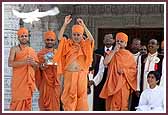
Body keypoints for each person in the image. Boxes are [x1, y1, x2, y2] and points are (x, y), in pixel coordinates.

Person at [53, 15, 94, 111]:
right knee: (68, 99)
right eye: (74, 34)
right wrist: (65, 24)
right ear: (72, 34)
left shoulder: (85, 45)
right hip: (69, 75)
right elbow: (59, 38)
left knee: (81, 99)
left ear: (81, 35)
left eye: (78, 35)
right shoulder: (67, 44)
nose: (76, 37)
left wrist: (83, 26)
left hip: (81, 75)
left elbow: (91, 40)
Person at [99, 32, 137, 111]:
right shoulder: (111, 53)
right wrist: (113, 51)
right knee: (111, 105)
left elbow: (133, 71)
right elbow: (105, 62)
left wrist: (124, 71)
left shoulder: (130, 55)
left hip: (123, 84)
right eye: (117, 41)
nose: (119, 43)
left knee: (122, 106)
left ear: (126, 44)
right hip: (111, 83)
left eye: (121, 41)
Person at [8, 27, 39, 111]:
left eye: (25, 36)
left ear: (28, 37)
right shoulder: (14, 49)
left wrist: (33, 63)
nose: (24, 37)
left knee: (26, 103)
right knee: (16, 101)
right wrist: (25, 62)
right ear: (18, 37)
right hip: (18, 81)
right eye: (22, 36)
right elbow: (10, 63)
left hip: (27, 82)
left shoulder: (31, 50)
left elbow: (37, 66)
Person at [88, 33, 115, 111]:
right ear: (103, 41)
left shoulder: (116, 52)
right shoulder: (98, 52)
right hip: (98, 83)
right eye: (105, 38)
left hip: (111, 80)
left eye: (109, 38)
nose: (107, 39)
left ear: (113, 41)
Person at [35, 31, 60, 111]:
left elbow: (62, 69)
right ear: (45, 40)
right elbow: (37, 69)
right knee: (43, 104)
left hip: (55, 83)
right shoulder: (40, 54)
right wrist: (42, 66)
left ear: (54, 41)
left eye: (51, 40)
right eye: (48, 40)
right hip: (44, 83)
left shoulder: (58, 53)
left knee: (55, 105)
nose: (50, 42)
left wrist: (57, 65)